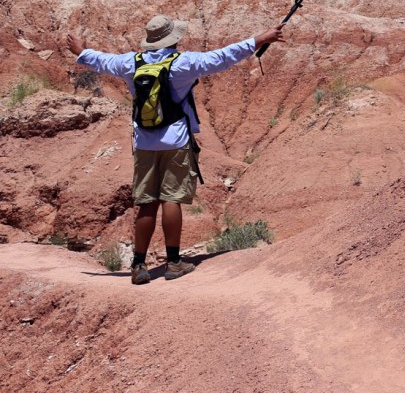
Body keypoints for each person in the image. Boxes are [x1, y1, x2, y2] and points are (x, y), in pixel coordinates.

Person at [66, 15, 283, 285]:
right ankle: (173, 263)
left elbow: (101, 60)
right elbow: (223, 57)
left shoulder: (130, 63)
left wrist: (81, 51)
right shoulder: (184, 62)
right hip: (176, 140)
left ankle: (138, 265)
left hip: (144, 142)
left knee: (147, 203)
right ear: (174, 39)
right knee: (171, 199)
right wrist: (260, 39)